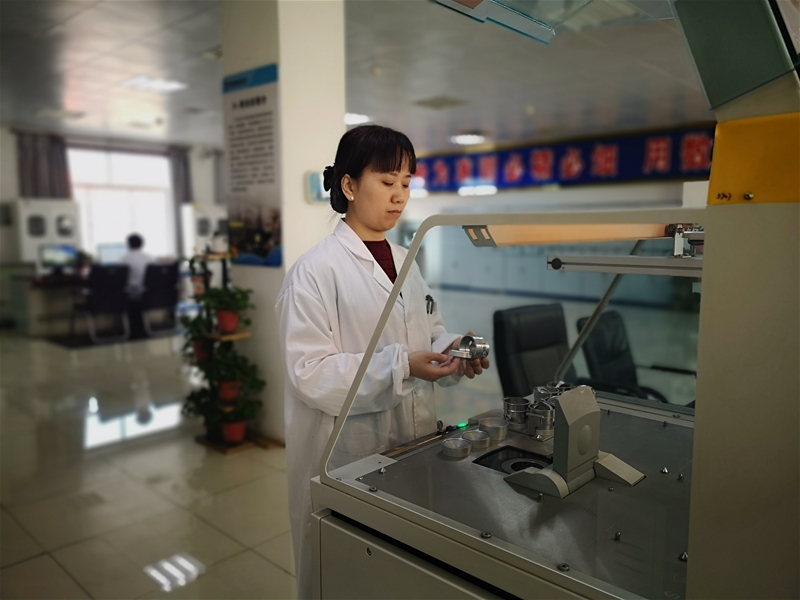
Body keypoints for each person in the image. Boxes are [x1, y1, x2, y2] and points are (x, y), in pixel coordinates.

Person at [276, 125, 490, 598]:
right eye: (388, 181)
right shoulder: (314, 272)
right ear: (350, 185)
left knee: (399, 574)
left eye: (407, 183)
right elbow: (310, 374)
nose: (400, 196)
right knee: (344, 576)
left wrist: (453, 349)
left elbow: (427, 333)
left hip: (410, 446)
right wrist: (403, 366)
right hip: (343, 457)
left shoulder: (405, 260)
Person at [120, 233, 152, 299]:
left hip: (131, 294)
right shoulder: (149, 258)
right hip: (148, 294)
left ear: (128, 244)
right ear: (142, 244)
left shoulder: (124, 259)